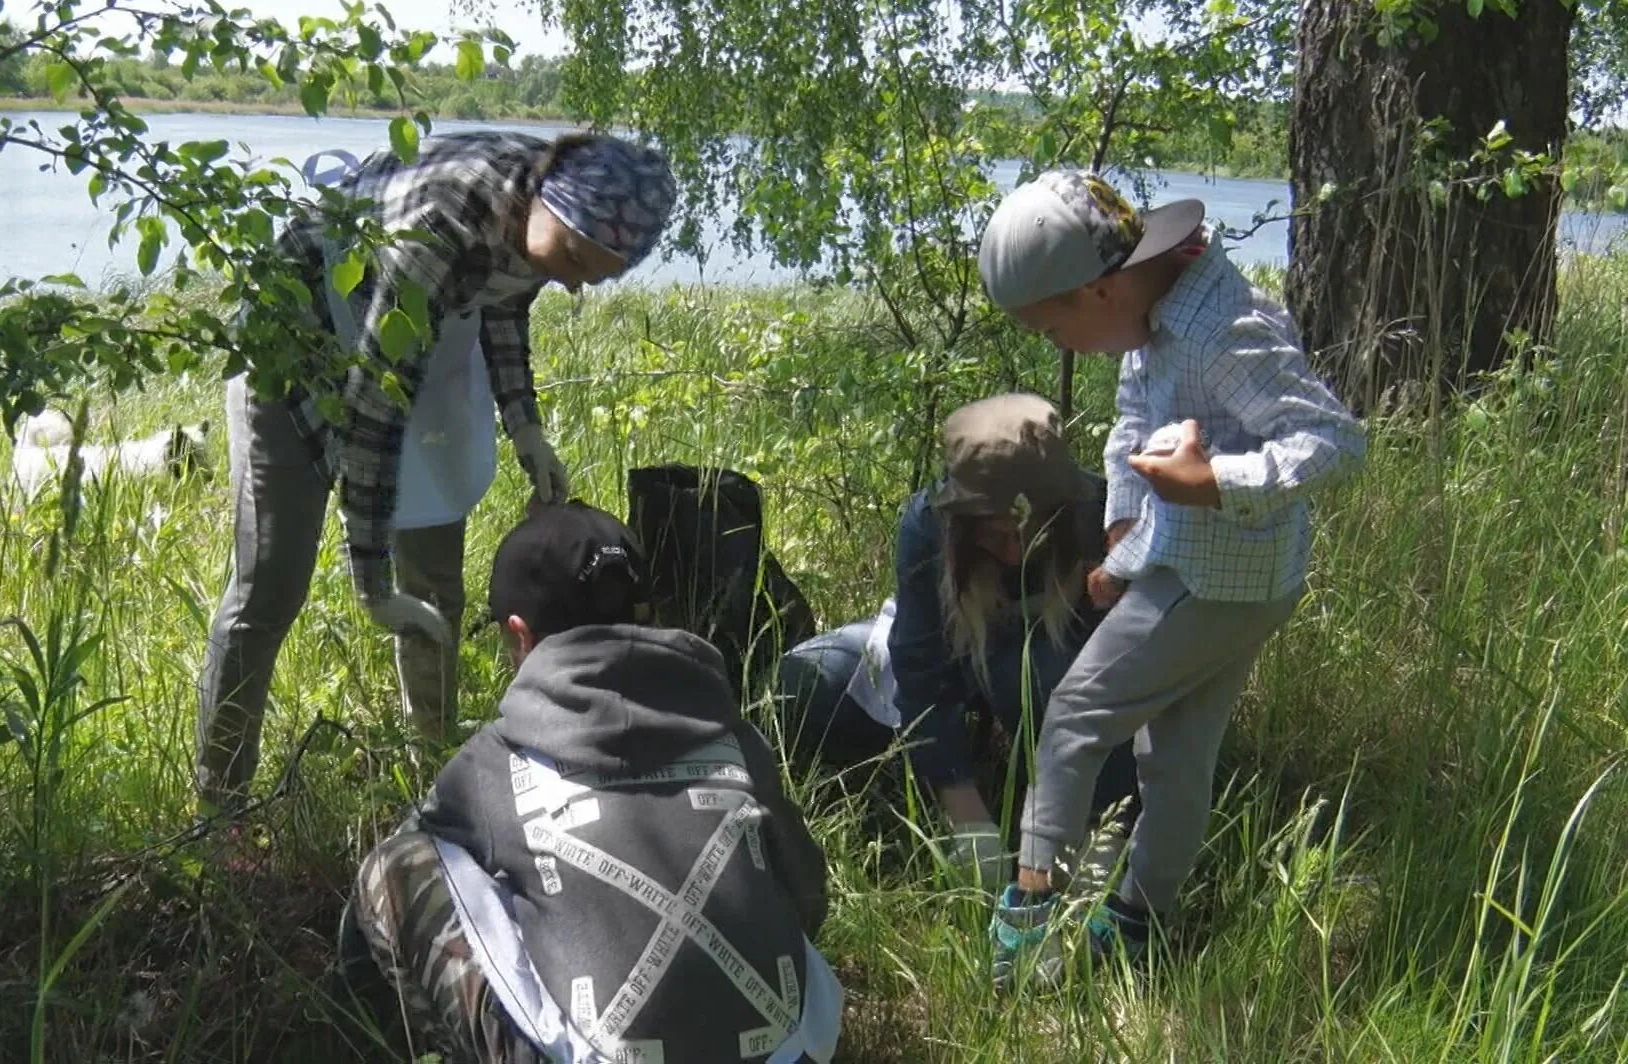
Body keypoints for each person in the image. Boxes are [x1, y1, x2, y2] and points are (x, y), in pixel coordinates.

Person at [197, 131, 677, 815]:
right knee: (268, 590)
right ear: (547, 202)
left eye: (590, 278)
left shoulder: (538, 213)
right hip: (296, 354)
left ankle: (434, 782)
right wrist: (371, 587)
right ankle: (219, 812)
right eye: (572, 259)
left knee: (436, 585)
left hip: (407, 355)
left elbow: (506, 296)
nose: (570, 281)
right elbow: (372, 413)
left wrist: (525, 425)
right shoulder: (438, 225)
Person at [974, 170, 1365, 986]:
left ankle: (1026, 924)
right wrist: (1122, 529)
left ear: (1102, 290)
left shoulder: (1223, 328)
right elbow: (1131, 426)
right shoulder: (1150, 322)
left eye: (1053, 331)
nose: (1058, 348)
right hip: (1219, 570)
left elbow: (1334, 442)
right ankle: (1141, 926)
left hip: (1217, 572)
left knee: (1077, 714)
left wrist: (1215, 480)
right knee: (1177, 755)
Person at [341, 502, 841, 1063]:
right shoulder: (735, 736)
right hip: (789, 1053)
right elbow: (808, 895)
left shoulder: (489, 765)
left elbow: (407, 883)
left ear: (521, 636)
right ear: (648, 615)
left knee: (395, 866)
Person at [774, 394, 1138, 887]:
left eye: (1024, 535)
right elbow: (919, 660)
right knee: (805, 681)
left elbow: (1124, 679)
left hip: (1052, 673)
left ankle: (1086, 816)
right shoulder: (927, 525)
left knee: (1026, 670)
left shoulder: (1105, 519)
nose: (1011, 554)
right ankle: (945, 760)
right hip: (956, 653)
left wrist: (1104, 820)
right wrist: (963, 808)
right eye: (993, 536)